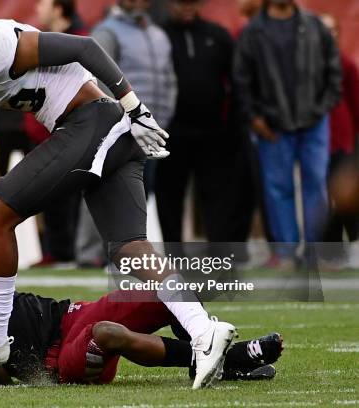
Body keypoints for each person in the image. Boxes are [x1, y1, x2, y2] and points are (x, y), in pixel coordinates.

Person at [0, 18, 236, 389]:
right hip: (101, 125)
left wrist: (134, 107)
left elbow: (83, 48)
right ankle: (204, 333)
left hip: (92, 121)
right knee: (129, 250)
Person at [0, 223, 284, 385]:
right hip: (55, 360)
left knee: (170, 282)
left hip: (66, 315)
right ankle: (228, 363)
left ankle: (212, 353)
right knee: (108, 335)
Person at [234, 0, 342, 266]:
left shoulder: (314, 25)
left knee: (316, 183)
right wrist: (254, 118)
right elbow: (241, 78)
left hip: (314, 122)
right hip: (272, 126)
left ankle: (315, 252)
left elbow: (333, 71)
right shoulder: (254, 31)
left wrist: (322, 108)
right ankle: (285, 253)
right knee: (277, 188)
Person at [75, 0, 176, 267]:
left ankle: (123, 254)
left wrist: (161, 119)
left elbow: (169, 80)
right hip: (118, 128)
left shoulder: (158, 34)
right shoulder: (108, 31)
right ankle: (89, 254)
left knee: (138, 194)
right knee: (103, 188)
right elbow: (97, 80)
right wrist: (117, 120)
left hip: (150, 131)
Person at [156, 0, 246, 251]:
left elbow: (238, 81)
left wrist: (233, 125)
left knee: (217, 197)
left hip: (213, 133)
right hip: (169, 133)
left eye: (193, 2)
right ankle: (174, 255)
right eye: (181, 3)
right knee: (170, 197)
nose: (187, 8)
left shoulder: (217, 35)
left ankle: (220, 253)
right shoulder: (158, 36)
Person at [29, 0, 89, 267]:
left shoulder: (80, 41)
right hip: (42, 131)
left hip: (69, 129)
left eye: (43, 3)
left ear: (58, 8)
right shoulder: (38, 40)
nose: (37, 8)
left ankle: (69, 251)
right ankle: (53, 250)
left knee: (70, 193)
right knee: (44, 194)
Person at [320, 14, 359, 257]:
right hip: (311, 141)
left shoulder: (344, 63)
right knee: (321, 198)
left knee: (346, 194)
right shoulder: (306, 64)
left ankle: (352, 242)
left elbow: (356, 103)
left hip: (342, 141)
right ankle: (328, 248)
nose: (330, 36)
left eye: (334, 31)